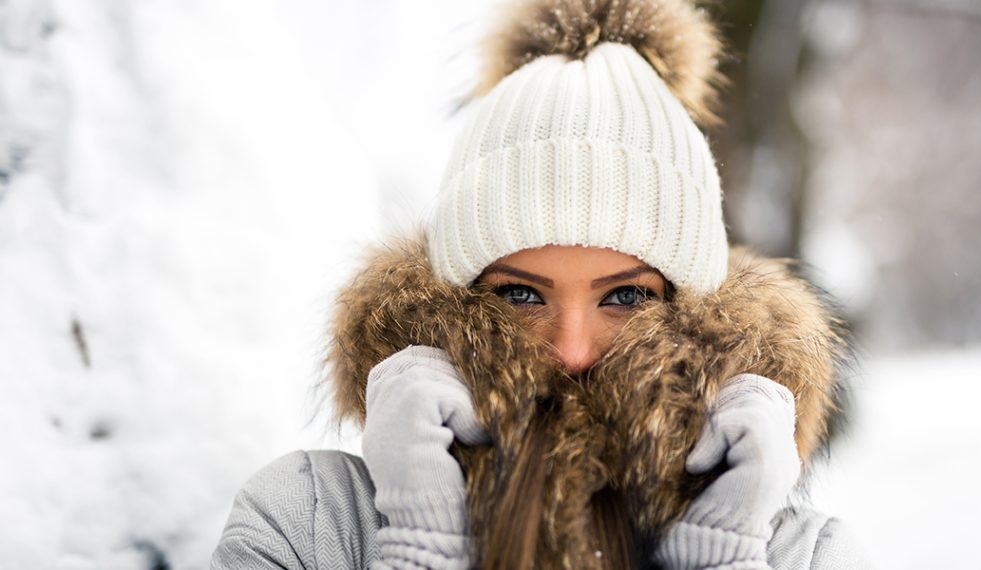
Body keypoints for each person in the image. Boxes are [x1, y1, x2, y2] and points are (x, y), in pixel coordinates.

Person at [211, 0, 873, 568]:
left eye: (626, 296)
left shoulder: (800, 555)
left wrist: (723, 553)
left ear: (689, 307)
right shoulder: (308, 522)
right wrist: (419, 545)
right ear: (455, 299)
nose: (574, 349)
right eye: (520, 294)